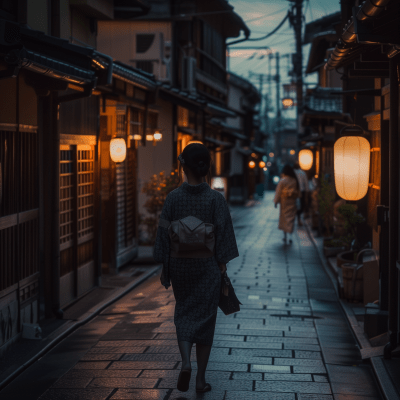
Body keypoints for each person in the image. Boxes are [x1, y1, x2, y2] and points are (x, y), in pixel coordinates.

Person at [153, 143, 239, 393]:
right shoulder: (215, 199)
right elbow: (223, 234)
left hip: (181, 266)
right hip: (206, 267)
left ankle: (186, 362)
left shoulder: (173, 198)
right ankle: (200, 380)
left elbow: (163, 234)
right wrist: (221, 265)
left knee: (184, 313)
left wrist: (165, 267)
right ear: (206, 168)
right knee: (205, 320)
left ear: (183, 166)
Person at [273, 164, 301, 244]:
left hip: (284, 202)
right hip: (292, 201)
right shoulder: (294, 180)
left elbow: (278, 192)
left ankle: (285, 236)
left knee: (284, 219)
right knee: (291, 219)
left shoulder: (282, 180)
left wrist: (276, 201)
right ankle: (290, 236)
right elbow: (298, 192)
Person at [293, 162, 309, 226]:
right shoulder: (302, 173)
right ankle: (299, 219)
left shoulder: (292, 173)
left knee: (294, 206)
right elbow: (306, 183)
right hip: (302, 191)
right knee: (301, 206)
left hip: (294, 191)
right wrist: (307, 191)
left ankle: (295, 219)